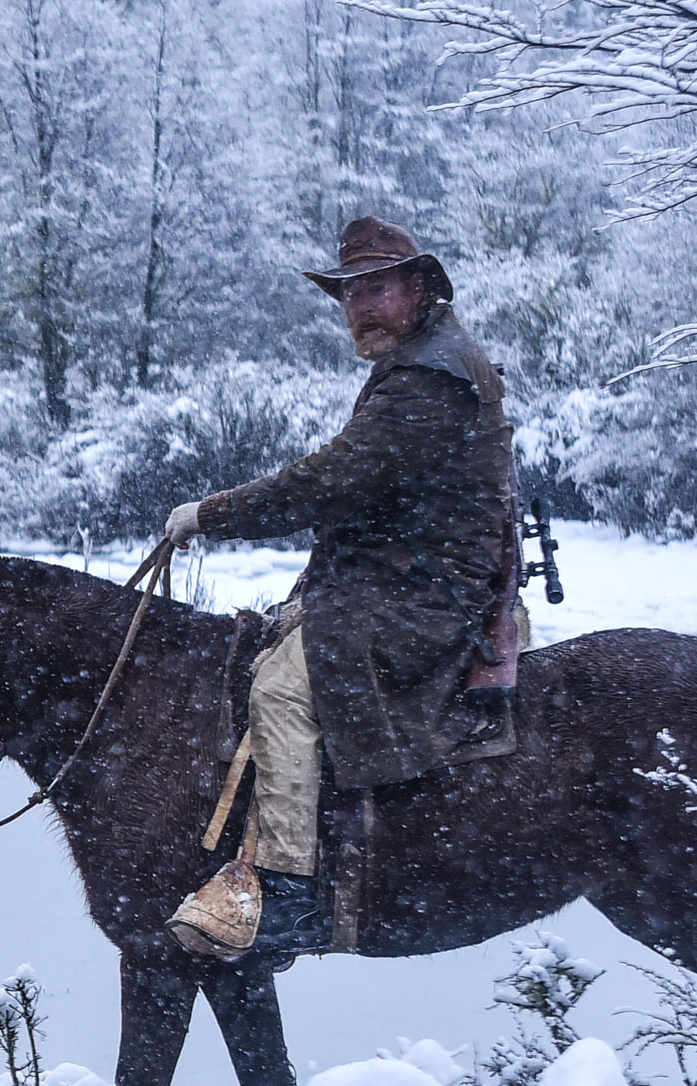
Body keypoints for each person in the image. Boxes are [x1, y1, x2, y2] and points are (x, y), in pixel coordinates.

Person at [164, 217, 516, 963]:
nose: (361, 307)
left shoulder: (428, 375)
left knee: (283, 690)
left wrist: (212, 514)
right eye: (351, 293)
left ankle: (287, 892)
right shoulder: (426, 357)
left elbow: (333, 480)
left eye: (378, 288)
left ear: (420, 288)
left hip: (421, 592)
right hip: (411, 574)